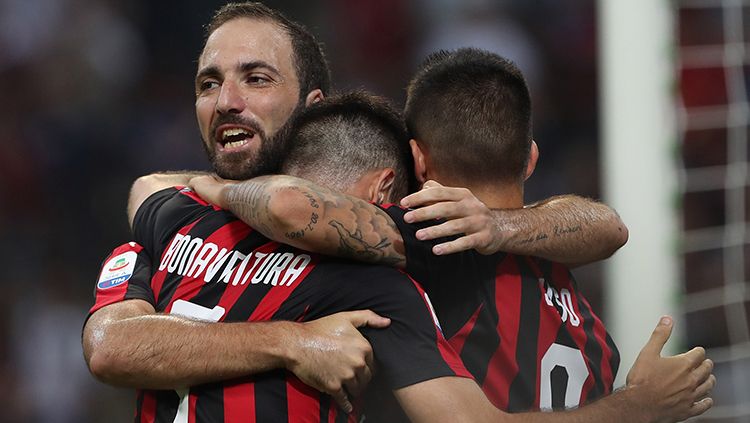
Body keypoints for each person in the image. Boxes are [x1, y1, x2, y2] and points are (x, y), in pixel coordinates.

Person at [188, 48, 715, 420]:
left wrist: (195, 189)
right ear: (530, 159)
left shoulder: (426, 242)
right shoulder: (590, 322)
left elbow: (292, 209)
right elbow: (609, 226)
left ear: (416, 161)